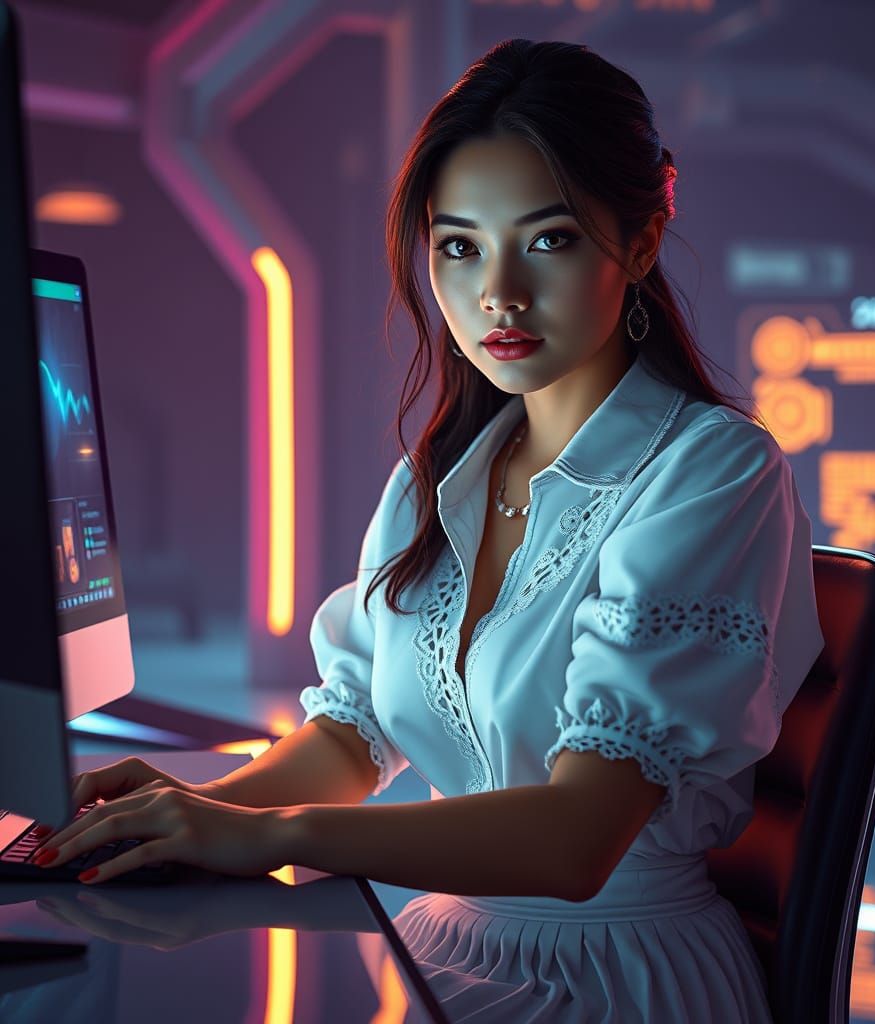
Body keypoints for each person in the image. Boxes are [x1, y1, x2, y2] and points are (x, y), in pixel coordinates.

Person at [32, 38, 825, 1022]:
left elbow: (576, 842)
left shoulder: (711, 468)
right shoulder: (440, 479)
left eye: (549, 239)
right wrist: (200, 810)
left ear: (643, 241)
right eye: (459, 246)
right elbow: (350, 741)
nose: (497, 292)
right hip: (445, 941)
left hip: (614, 976)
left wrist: (275, 837)